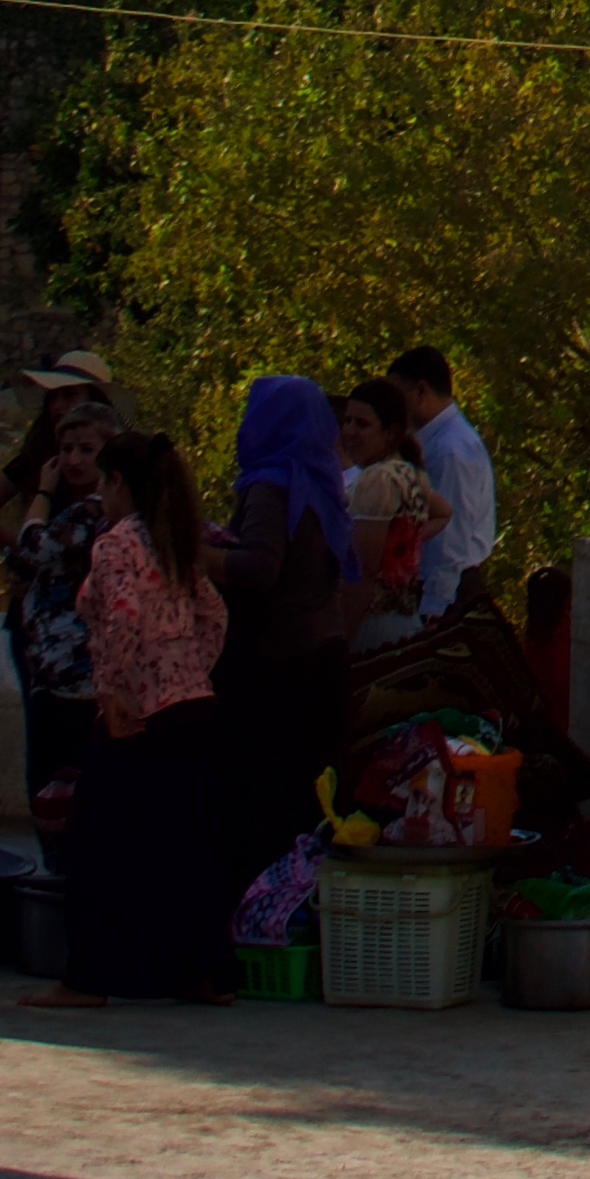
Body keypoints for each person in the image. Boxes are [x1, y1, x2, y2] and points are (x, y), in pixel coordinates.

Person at [62, 427, 236, 1000]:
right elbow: (213, 613)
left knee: (94, 841)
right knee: (187, 842)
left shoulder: (116, 544)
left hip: (140, 711)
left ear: (116, 482)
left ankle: (88, 977)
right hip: (193, 705)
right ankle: (202, 971)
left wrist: (111, 692)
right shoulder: (176, 538)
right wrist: (192, 670)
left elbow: (122, 615)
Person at [207, 374, 362, 900]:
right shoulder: (321, 479)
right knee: (310, 812)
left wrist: (189, 551)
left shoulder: (272, 482)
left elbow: (259, 568)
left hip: (279, 672)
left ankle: (259, 925)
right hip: (324, 661)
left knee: (263, 810)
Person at [6, 366, 122, 842]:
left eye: (85, 451)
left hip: (78, 674)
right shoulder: (74, 508)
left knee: (68, 782)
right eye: (67, 450)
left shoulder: (93, 510)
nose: (73, 459)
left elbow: (37, 548)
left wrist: (43, 491)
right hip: (50, 670)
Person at [389, 346, 496, 619]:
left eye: (397, 396)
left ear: (421, 392)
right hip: (438, 588)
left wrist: (433, 610)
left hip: (449, 593)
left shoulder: (451, 450)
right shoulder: (434, 442)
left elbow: (449, 541)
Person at [337, 386, 441, 647]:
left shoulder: (378, 479)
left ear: (389, 432)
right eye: (347, 421)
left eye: (362, 424)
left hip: (372, 624)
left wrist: (342, 640)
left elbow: (362, 573)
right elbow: (443, 513)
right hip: (404, 619)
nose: (349, 431)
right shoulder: (410, 473)